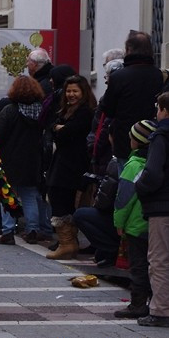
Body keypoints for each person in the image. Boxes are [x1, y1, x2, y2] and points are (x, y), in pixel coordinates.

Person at [0, 76, 50, 245]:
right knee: (30, 195)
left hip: (9, 159)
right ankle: (33, 229)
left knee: (7, 196)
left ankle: (8, 231)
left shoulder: (10, 110)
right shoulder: (40, 111)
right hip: (32, 160)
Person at [46, 75, 97, 260]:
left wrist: (61, 129)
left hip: (73, 164)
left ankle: (68, 244)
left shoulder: (85, 112)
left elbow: (68, 132)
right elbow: (53, 128)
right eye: (68, 91)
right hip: (62, 161)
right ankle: (67, 242)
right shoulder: (65, 110)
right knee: (57, 196)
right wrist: (58, 129)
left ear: (83, 92)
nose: (71, 95)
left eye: (75, 91)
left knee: (63, 200)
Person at [113, 120, 156, 319]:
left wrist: (119, 223)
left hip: (136, 224)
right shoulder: (156, 161)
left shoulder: (134, 165)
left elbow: (124, 199)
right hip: (153, 223)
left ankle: (138, 304)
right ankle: (155, 300)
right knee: (156, 264)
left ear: (136, 141)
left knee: (138, 265)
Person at [101, 31, 164, 163]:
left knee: (126, 178)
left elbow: (108, 109)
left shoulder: (119, 77)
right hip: (151, 138)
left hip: (125, 140)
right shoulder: (158, 75)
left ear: (129, 50)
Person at [136, 92, 169, 327]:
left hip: (163, 205)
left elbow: (153, 173)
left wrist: (140, 185)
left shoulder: (161, 136)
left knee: (159, 259)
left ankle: (160, 310)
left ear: (164, 111)